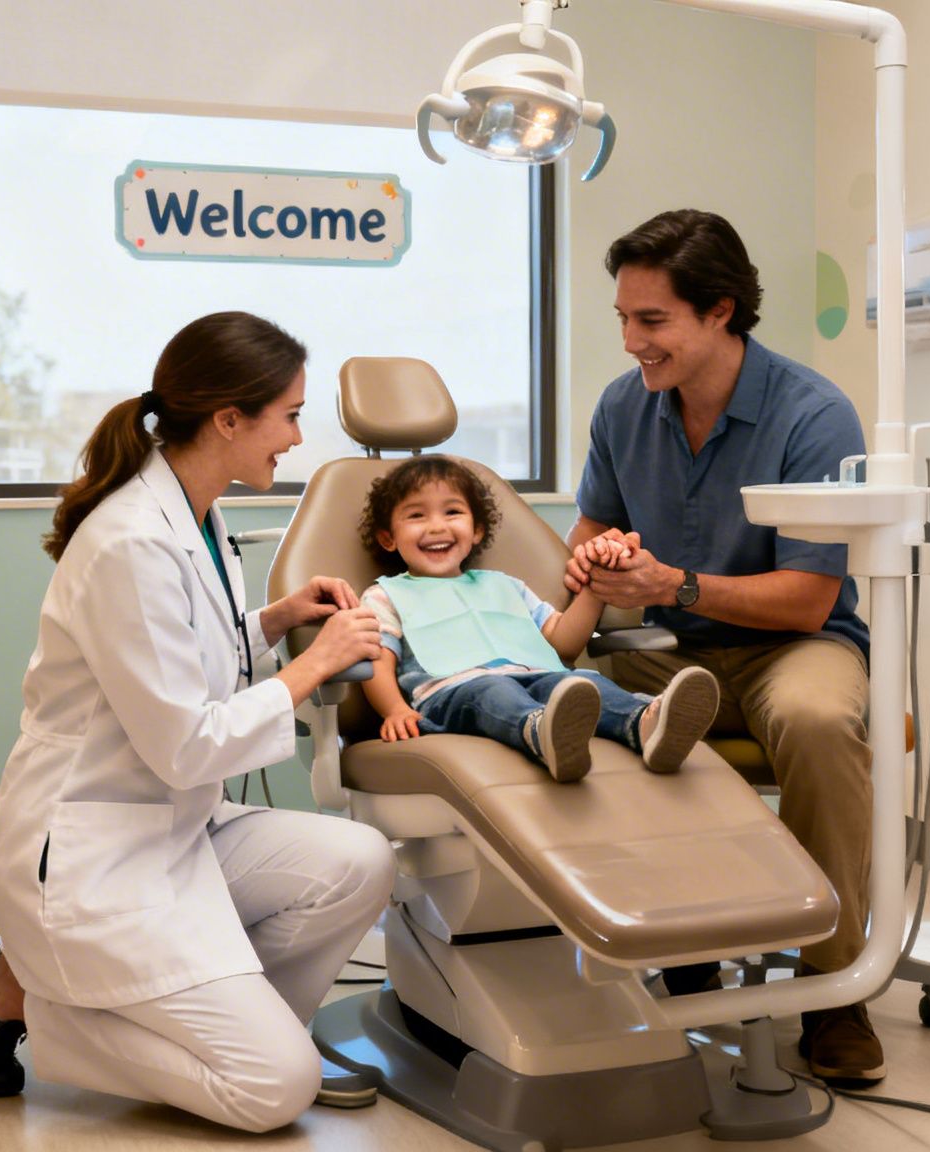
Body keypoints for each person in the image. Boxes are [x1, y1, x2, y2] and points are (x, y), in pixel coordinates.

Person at [0, 311, 397, 1133]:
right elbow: (188, 744)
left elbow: (187, 662)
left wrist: (271, 620)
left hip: (172, 830)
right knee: (273, 1094)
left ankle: (238, 1027)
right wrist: (313, 662)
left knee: (360, 860)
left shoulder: (197, 511)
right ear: (228, 418)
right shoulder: (130, 541)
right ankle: (11, 993)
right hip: (94, 855)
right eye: (289, 415)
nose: (297, 437)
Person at [564, 209, 884, 1086]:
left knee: (820, 723)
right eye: (625, 319)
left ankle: (833, 987)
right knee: (574, 710)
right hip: (666, 648)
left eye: (652, 320)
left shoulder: (813, 415)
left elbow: (808, 597)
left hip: (791, 644)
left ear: (722, 311)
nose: (632, 341)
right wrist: (595, 561)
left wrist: (674, 584)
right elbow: (588, 536)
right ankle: (683, 945)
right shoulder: (622, 408)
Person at [355, 454, 719, 782]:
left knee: (584, 683)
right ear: (389, 538)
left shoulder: (507, 586)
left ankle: (645, 722)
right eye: (417, 515)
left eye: (452, 512)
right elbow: (378, 661)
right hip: (452, 693)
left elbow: (563, 643)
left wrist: (594, 587)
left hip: (535, 677)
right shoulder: (385, 596)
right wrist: (395, 709)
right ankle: (542, 732)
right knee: (493, 690)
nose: (436, 526)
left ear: (477, 530)